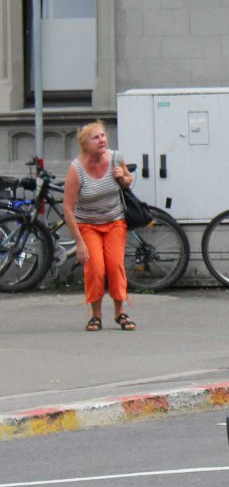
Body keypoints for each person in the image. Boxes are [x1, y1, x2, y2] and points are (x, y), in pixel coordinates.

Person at [63, 121, 137, 331]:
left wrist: (123, 178)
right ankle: (95, 315)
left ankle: (120, 312)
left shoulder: (115, 157)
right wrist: (79, 242)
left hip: (115, 221)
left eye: (103, 135)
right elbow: (68, 208)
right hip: (88, 225)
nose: (102, 140)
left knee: (115, 266)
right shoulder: (77, 169)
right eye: (95, 137)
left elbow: (128, 180)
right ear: (85, 145)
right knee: (95, 269)